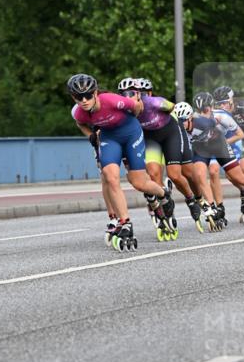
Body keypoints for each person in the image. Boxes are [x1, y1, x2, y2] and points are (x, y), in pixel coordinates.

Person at [67, 73, 173, 249]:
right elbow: (80, 123)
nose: (84, 100)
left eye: (87, 95)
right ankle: (125, 222)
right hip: (110, 138)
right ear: (73, 97)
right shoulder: (79, 113)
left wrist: (135, 116)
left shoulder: (112, 101)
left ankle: (164, 194)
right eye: (79, 97)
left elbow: (138, 107)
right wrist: (91, 135)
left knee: (138, 182)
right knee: (110, 176)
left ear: (95, 93)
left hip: (131, 134)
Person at [123, 77, 205, 232]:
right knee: (153, 173)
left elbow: (173, 109)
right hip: (151, 139)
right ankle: (163, 202)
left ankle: (191, 200)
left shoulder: (154, 102)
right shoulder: (127, 109)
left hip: (170, 134)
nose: (137, 98)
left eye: (143, 94)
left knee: (175, 175)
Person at [183, 94, 244, 226]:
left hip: (220, 145)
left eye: (204, 110)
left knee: (238, 177)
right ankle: (211, 207)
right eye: (198, 111)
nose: (202, 113)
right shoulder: (188, 121)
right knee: (200, 174)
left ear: (210, 107)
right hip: (202, 147)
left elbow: (240, 134)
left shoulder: (223, 117)